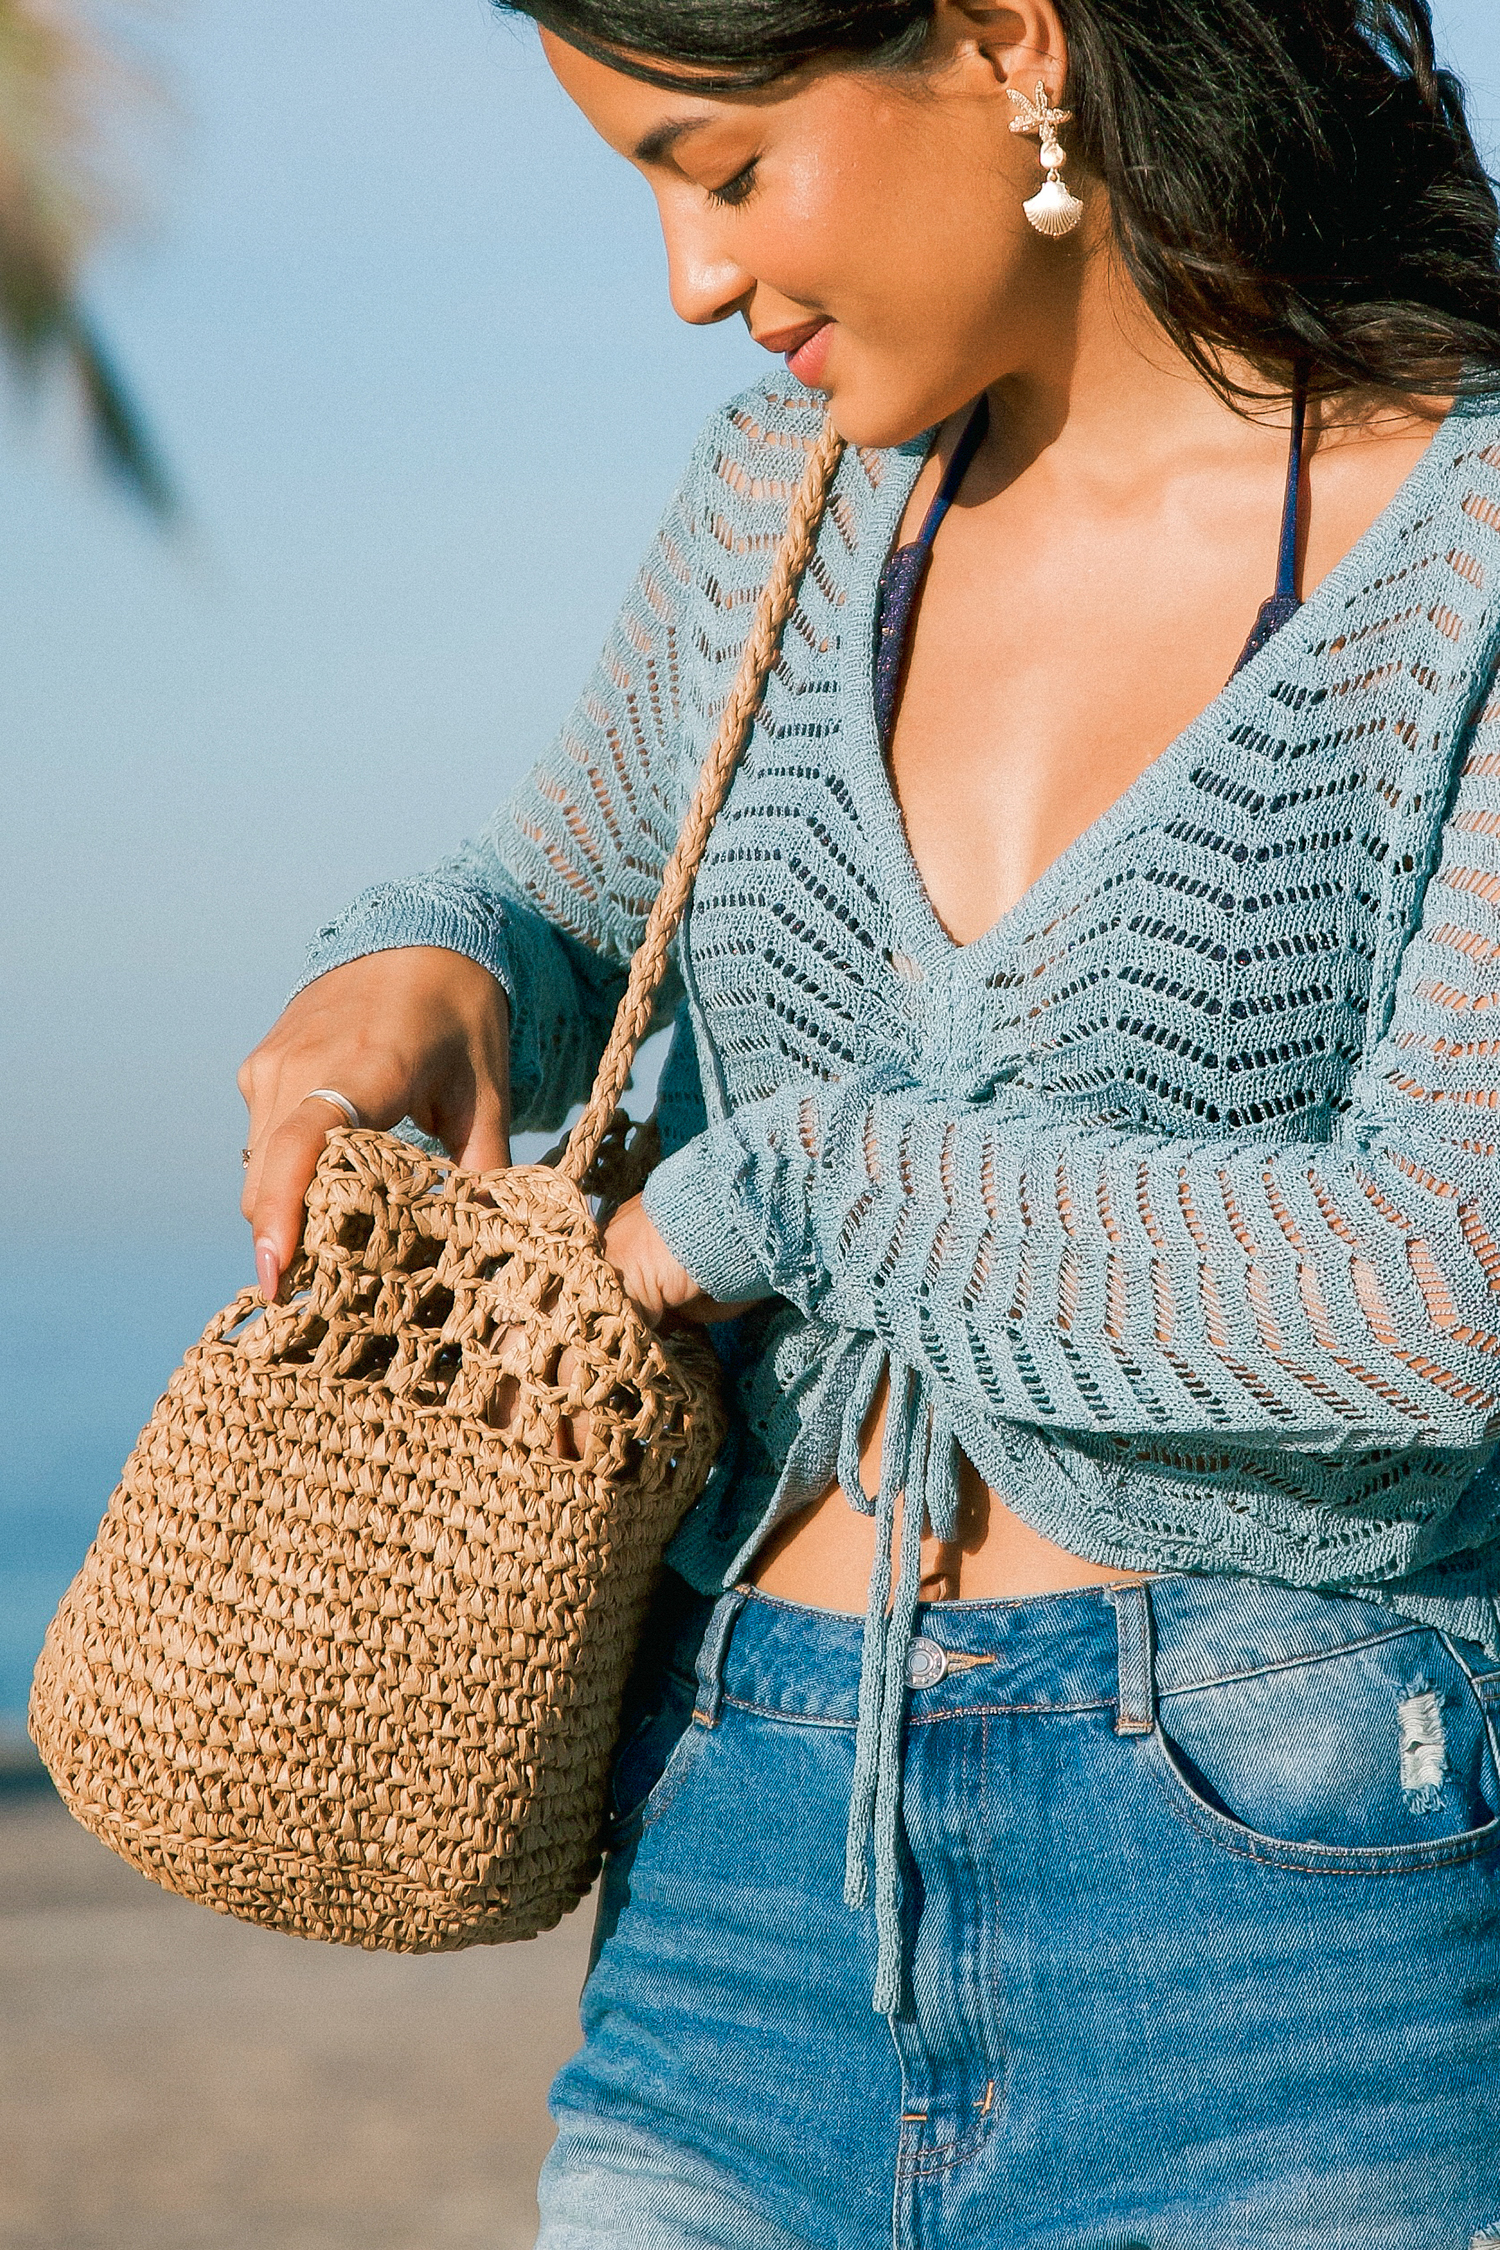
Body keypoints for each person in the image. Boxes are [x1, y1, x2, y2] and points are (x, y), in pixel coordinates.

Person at [238, 1, 1500, 2239]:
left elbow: (1444, 1288)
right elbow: (563, 888)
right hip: (736, 1873)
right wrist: (417, 960)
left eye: (724, 169)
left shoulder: (1470, 547)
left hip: (1290, 1924)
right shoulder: (788, 502)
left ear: (1015, 43)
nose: (693, 280)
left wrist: (786, 1190)